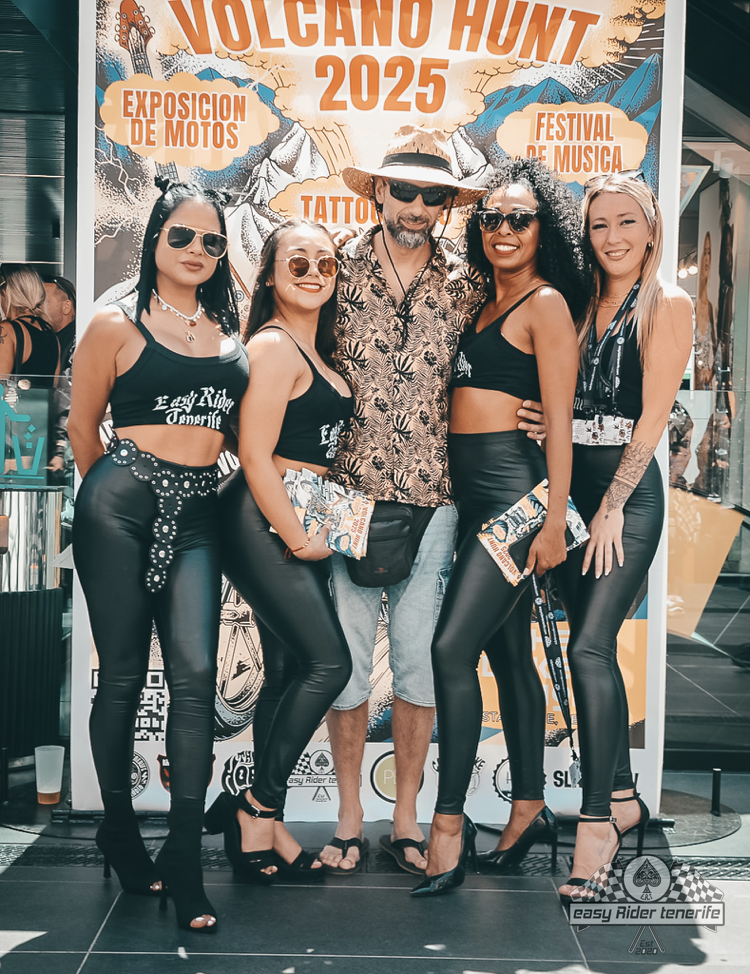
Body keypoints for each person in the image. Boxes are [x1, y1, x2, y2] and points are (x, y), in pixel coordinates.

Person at [318, 127, 544, 876]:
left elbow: (515, 354)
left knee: (418, 666)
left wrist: (541, 410)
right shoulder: (334, 268)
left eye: (434, 195)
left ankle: (407, 817)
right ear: (379, 191)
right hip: (346, 495)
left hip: (440, 498)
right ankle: (350, 816)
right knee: (349, 670)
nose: (417, 205)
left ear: (449, 205)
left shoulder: (471, 280)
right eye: (404, 189)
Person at [68, 179, 248, 932]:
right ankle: (118, 823)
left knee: (197, 678)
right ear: (153, 241)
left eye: (212, 241)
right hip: (120, 504)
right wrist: (114, 500)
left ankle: (180, 850)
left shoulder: (233, 337)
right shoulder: (115, 325)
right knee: (119, 680)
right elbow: (82, 429)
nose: (198, 251)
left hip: (202, 511)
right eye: (182, 236)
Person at [413, 157, 586, 896]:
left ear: (542, 228)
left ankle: (447, 824)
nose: (503, 229)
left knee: (451, 650)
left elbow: (562, 426)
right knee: (509, 658)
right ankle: (528, 807)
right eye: (490, 218)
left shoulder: (544, 304)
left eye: (519, 217)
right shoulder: (481, 302)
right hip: (472, 503)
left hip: (518, 503)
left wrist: (551, 522)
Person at [555, 173, 692, 903]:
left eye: (624, 223)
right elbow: (568, 397)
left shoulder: (666, 303)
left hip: (625, 496)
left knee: (590, 646)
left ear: (650, 228)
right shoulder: (582, 303)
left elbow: (653, 417)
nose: (611, 237)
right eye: (599, 225)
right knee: (583, 639)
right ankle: (626, 794)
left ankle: (598, 819)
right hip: (572, 487)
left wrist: (610, 505)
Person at [204, 219, 353, 882]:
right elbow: (256, 455)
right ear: (269, 275)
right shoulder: (271, 347)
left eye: (326, 262)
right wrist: (296, 535)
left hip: (299, 514)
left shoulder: (315, 347)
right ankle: (255, 804)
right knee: (330, 663)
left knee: (292, 669)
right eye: (299, 262)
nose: (316, 271)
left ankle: (263, 833)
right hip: (263, 519)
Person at [0, 263, 60, 385]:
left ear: (5, 293)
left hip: (14, 404)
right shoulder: (51, 335)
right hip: (44, 404)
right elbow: (54, 386)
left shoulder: (7, 330)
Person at [42, 274, 77, 372]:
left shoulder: (79, 338)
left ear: (66, 306)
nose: (36, 307)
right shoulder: (44, 337)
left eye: (43, 302)